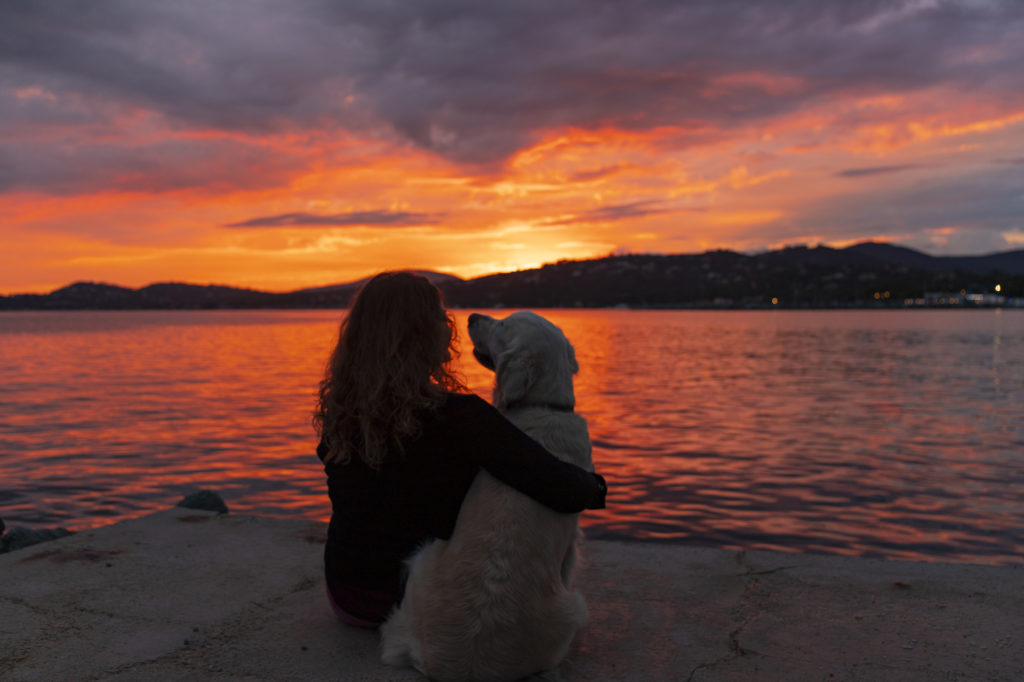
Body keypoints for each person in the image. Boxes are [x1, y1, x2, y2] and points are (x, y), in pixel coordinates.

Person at [314, 271, 607, 627]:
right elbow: (559, 487)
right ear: (421, 335)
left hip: (344, 596)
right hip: (413, 603)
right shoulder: (459, 416)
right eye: (440, 319)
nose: (448, 327)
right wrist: (597, 487)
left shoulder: (340, 413)